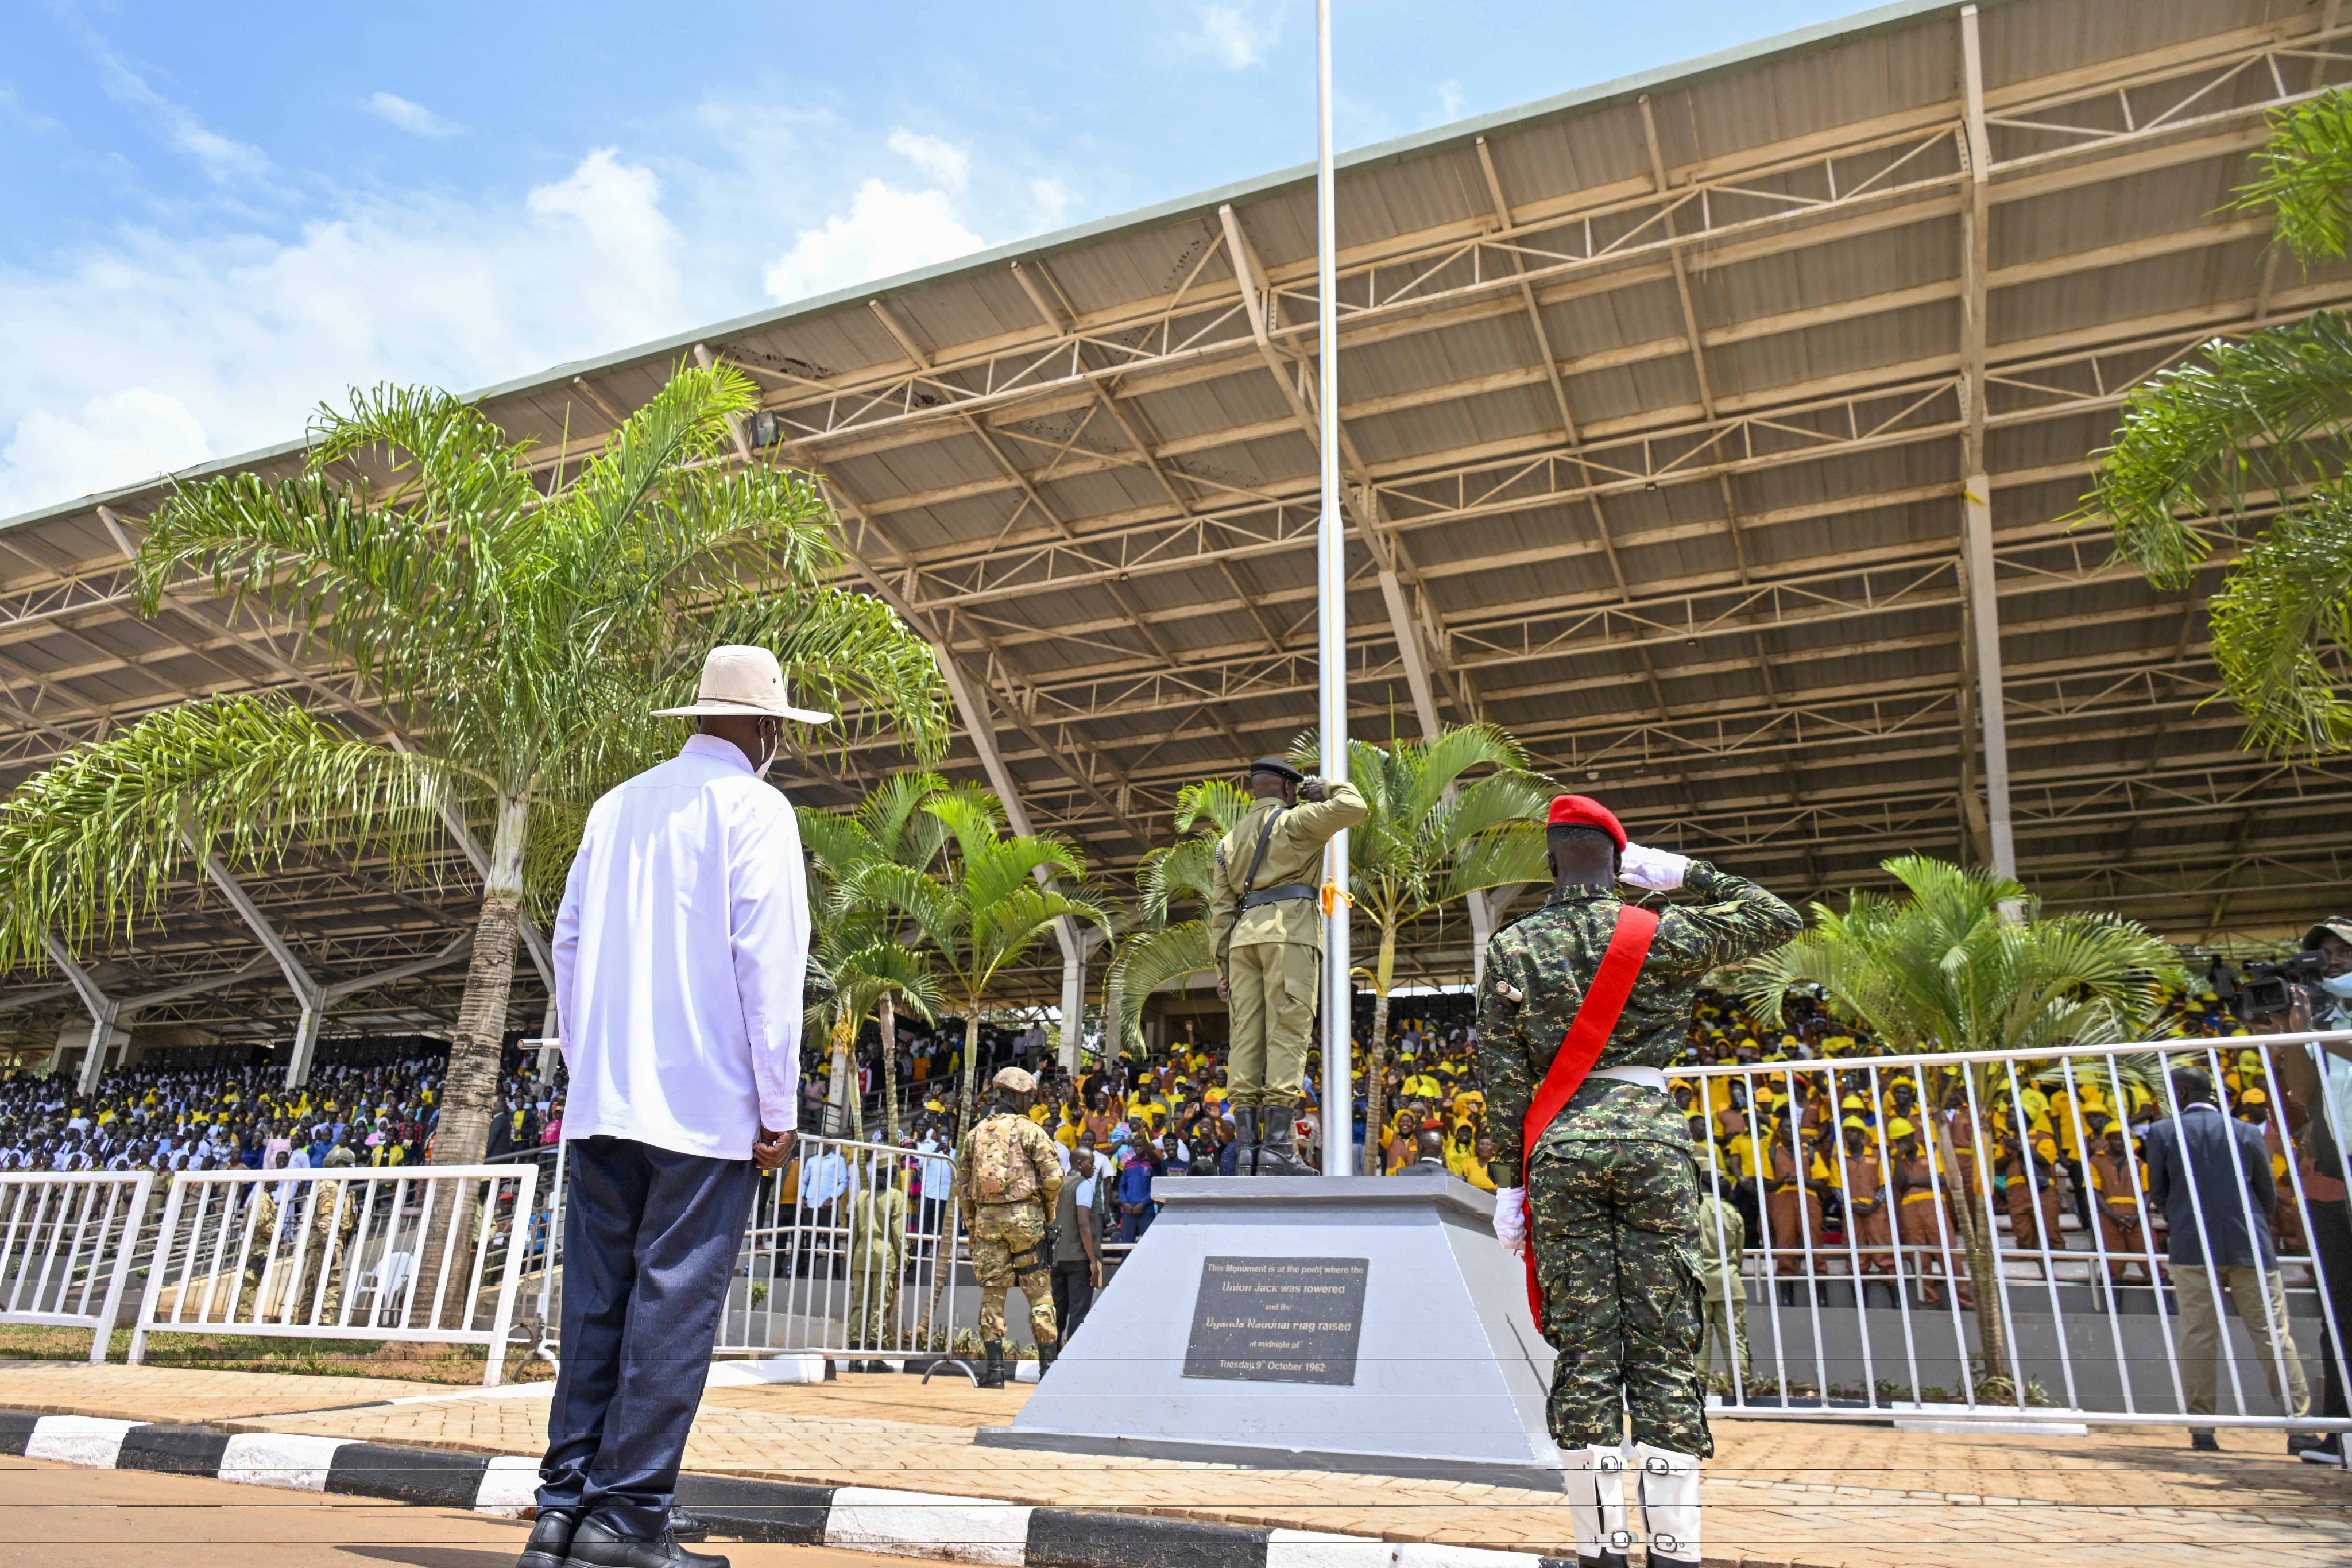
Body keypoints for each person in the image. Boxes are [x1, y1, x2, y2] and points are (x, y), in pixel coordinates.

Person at [526, 645, 821, 1568]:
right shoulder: (758, 809)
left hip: (605, 1100)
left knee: (597, 1305)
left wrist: (592, 1066)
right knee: (671, 1308)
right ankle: (626, 1517)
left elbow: (569, 943)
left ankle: (561, 1509)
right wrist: (778, 1104)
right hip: (705, 1105)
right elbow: (768, 965)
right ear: (767, 728)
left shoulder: (616, 805)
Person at [1477, 795, 1799, 1568]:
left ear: (1551, 862)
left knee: (1585, 1348)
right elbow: (1776, 916)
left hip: (1560, 1146)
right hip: (1652, 1140)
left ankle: (1601, 1548)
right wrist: (1683, 872)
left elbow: (1502, 1075)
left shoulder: (1514, 944)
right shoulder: (1659, 930)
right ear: (1624, 863)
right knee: (1663, 1344)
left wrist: (1509, 1186)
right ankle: (1675, 1548)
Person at [1208, 756, 1367, 1174]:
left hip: (1242, 941)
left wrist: (1222, 969)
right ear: (1287, 787)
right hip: (1289, 932)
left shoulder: (1228, 842)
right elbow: (1354, 806)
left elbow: (1221, 910)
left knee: (1245, 1037)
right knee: (1287, 1031)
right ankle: (1278, 1148)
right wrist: (1326, 788)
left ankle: (1248, 1149)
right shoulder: (1297, 821)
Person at [2144, 1067, 2310, 1452]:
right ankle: (2299, 1425)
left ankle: (2203, 1427)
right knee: (2272, 1334)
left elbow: (2159, 1193)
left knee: (2198, 1334)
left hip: (2192, 1244)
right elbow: (2267, 1195)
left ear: (2181, 1093)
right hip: (2249, 1244)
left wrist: (2183, 1218)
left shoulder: (2163, 1132)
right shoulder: (2246, 1132)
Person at [2261, 916, 2352, 1466]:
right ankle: (2340, 1434)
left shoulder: (2331, 1023)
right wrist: (2292, 1028)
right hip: (2331, 1177)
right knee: (2340, 1310)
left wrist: (2313, 1027)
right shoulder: (2321, 1017)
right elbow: (2300, 1088)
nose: (2333, 959)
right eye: (2324, 952)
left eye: (2343, 950)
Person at [957, 1066, 1063, 1389]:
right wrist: (1048, 1215)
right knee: (1040, 1293)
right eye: (1029, 1097)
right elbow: (1054, 1178)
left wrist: (973, 1225)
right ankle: (1048, 1371)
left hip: (988, 1224)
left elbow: (963, 1187)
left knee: (993, 1295)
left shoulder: (976, 1134)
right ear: (1016, 1097)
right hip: (1027, 1221)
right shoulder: (1031, 1131)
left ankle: (995, 1373)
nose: (1032, 1102)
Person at [1049, 1129, 1104, 1344]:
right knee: (1079, 1313)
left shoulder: (1058, 1184)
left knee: (1057, 1312)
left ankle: (1050, 1358)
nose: (1094, 1167)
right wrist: (1093, 1261)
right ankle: (1072, 1358)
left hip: (1057, 1258)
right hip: (1078, 1259)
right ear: (1080, 1164)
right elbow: (1083, 1223)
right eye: (1091, 1163)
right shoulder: (1083, 1185)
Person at [1697, 1178, 1749, 1394]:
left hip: (1699, 1282)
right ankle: (1741, 1392)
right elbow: (1739, 1251)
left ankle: (1699, 1391)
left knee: (1700, 1340)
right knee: (1735, 1339)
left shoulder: (1692, 1209)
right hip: (1729, 1281)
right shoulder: (1731, 1211)